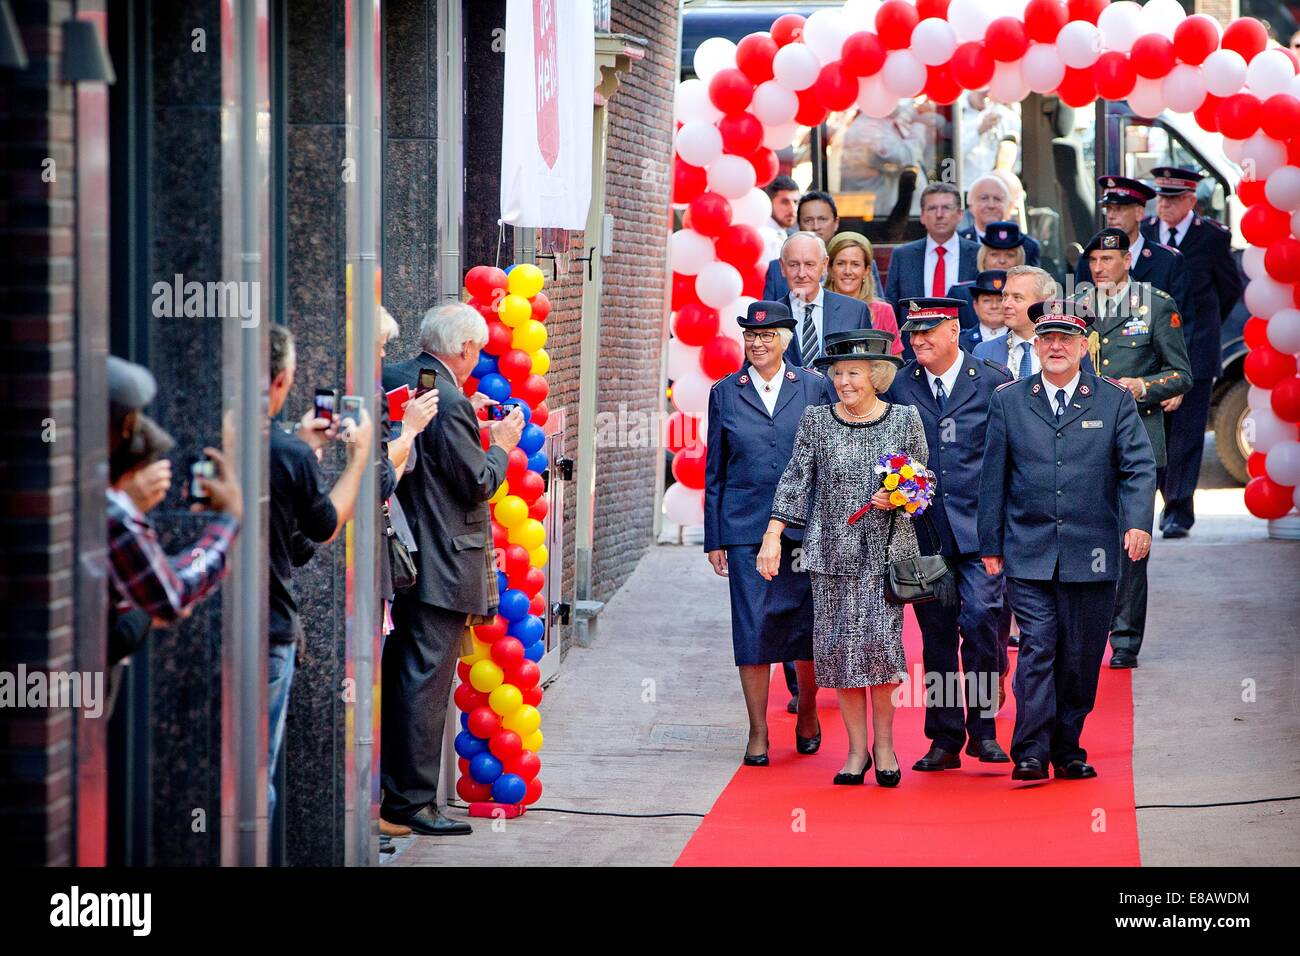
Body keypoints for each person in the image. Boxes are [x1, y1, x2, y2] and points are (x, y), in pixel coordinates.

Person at [978, 299, 1156, 781]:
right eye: (1047, 338)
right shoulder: (1009, 401)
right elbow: (993, 476)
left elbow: (1138, 467)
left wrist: (1138, 522)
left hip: (1094, 554)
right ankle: (1030, 751)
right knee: (1038, 647)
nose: (1056, 346)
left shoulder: (1113, 400)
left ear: (1084, 346)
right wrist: (990, 545)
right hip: (1029, 551)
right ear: (1035, 345)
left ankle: (1068, 747)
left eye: (1065, 339)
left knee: (1080, 655)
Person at [381, 302, 524, 836]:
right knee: (425, 683)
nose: (478, 357)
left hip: (405, 555)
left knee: (404, 676)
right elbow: (477, 482)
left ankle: (398, 794)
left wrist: (468, 408)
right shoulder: (454, 401)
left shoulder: (399, 376)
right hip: (443, 562)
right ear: (465, 348)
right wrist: (502, 447)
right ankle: (411, 802)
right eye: (478, 350)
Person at [759, 329, 922, 788]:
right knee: (841, 657)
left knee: (882, 654)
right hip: (830, 557)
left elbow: (923, 480)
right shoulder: (817, 420)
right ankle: (855, 752)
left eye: (854, 373)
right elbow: (795, 480)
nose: (844, 382)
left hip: (883, 555)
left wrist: (900, 495)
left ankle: (885, 747)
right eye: (838, 373)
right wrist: (774, 534)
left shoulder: (904, 419)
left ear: (876, 375)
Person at [883, 298, 1012, 770]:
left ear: (954, 331)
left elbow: (1007, 458)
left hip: (980, 534)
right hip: (924, 532)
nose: (917, 341)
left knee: (981, 623)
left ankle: (984, 730)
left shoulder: (992, 382)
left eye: (927, 332)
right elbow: (888, 453)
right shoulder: (899, 384)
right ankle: (943, 738)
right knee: (936, 637)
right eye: (912, 333)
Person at [704, 301, 829, 766]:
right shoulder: (725, 393)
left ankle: (809, 712)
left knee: (805, 626)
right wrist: (714, 537)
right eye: (751, 335)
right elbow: (714, 469)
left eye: (769, 335)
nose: (758, 343)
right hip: (744, 529)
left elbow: (825, 457)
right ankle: (757, 731)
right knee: (752, 627)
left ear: (788, 339)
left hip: (805, 527)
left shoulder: (814, 387)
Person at [265, 324, 374, 821]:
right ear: (282, 380)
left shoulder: (237, 437)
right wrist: (358, 461)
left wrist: (298, 440)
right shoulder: (287, 454)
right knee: (256, 775)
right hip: (268, 627)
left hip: (205, 624)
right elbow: (325, 527)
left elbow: (295, 539)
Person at [1071, 228, 1192, 670]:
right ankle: (1088, 629)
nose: (1099, 269)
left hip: (1136, 439)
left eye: (1108, 260)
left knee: (1131, 543)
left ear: (1127, 260)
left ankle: (1124, 639)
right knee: (1083, 537)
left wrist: (1143, 386)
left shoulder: (1155, 304)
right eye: (1094, 261)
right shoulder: (1077, 304)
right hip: (1082, 442)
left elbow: (1181, 374)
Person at [105, 356, 242, 638]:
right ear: (126, 425)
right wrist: (228, 519)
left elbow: (154, 578)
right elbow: (170, 595)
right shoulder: (110, 510)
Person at [1143, 166, 1243, 538]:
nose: (1164, 205)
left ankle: (1178, 511)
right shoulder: (1147, 234)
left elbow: (1228, 290)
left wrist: (1204, 330)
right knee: (1155, 432)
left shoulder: (1212, 238)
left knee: (1186, 433)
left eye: (1172, 198)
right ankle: (1153, 502)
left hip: (1197, 351)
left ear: (1190, 200)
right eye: (1161, 197)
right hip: (1152, 353)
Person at [883, 183, 979, 359]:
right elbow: (892, 309)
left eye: (946, 208)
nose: (940, 214)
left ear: (960, 214)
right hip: (914, 353)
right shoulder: (903, 255)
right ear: (922, 216)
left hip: (966, 352)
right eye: (932, 208)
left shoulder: (978, 254)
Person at [1073, 176, 1187, 318]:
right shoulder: (1090, 259)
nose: (1111, 216)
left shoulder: (1167, 260)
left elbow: (1182, 319)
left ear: (1139, 213)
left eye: (1119, 209)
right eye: (1108, 209)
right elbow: (1079, 314)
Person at [764, 190, 882, 301]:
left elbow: (877, 307)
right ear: (799, 225)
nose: (816, 226)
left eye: (822, 219)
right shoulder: (777, 269)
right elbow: (770, 316)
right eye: (808, 220)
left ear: (836, 223)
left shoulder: (862, 264)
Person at [777, 231, 872, 368]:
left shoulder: (855, 312)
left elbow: (865, 368)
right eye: (793, 265)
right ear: (782, 267)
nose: (802, 274)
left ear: (824, 265)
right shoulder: (770, 316)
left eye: (810, 264)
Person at [825, 231, 902, 355]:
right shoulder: (818, 308)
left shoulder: (883, 311)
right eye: (841, 264)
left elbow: (895, 364)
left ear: (867, 270)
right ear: (830, 268)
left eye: (855, 264)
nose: (848, 271)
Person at [948, 222, 1027, 327]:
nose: (1002, 261)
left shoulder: (1029, 295)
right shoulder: (961, 295)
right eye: (994, 254)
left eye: (1010, 255)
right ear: (983, 259)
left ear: (1019, 261)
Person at [958, 175, 1041, 267]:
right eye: (984, 198)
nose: (991, 205)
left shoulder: (1028, 246)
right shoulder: (958, 242)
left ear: (1007, 205)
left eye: (997, 199)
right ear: (970, 205)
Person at [958, 270, 1009, 353]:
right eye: (987, 300)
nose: (994, 306)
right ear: (975, 305)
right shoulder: (959, 342)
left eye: (1000, 300)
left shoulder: (1020, 340)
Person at [761, 175, 800, 263]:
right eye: (785, 202)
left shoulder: (785, 234)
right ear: (769, 203)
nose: (792, 209)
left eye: (795, 202)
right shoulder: (764, 236)